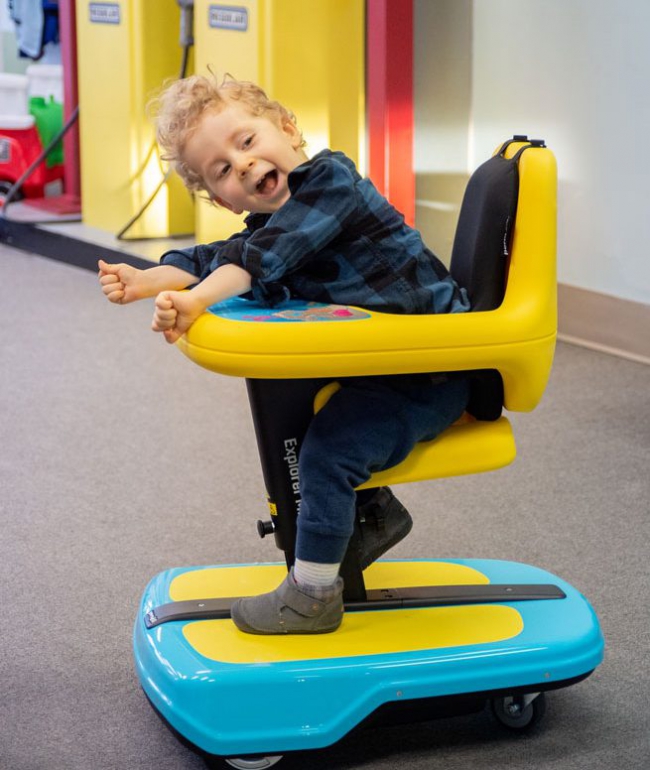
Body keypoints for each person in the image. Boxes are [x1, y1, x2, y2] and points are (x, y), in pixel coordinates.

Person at [99, 73, 471, 636]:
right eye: (222, 170)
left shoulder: (331, 184)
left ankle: (313, 597)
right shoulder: (271, 223)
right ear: (221, 199)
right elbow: (222, 254)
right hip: (384, 365)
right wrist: (150, 279)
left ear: (288, 129)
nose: (242, 165)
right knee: (303, 416)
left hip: (433, 370)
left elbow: (264, 258)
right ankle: (368, 520)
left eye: (246, 143)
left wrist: (196, 301)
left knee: (325, 455)